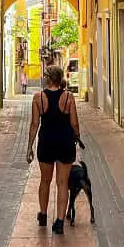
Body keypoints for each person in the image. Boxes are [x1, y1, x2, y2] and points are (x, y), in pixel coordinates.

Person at [26, 64, 81, 235]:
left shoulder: (38, 98)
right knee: (62, 183)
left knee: (45, 180)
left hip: (46, 142)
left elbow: (35, 124)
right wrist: (77, 136)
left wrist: (29, 146)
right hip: (65, 142)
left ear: (48, 78)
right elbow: (74, 123)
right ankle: (58, 221)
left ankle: (43, 214)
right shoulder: (69, 97)